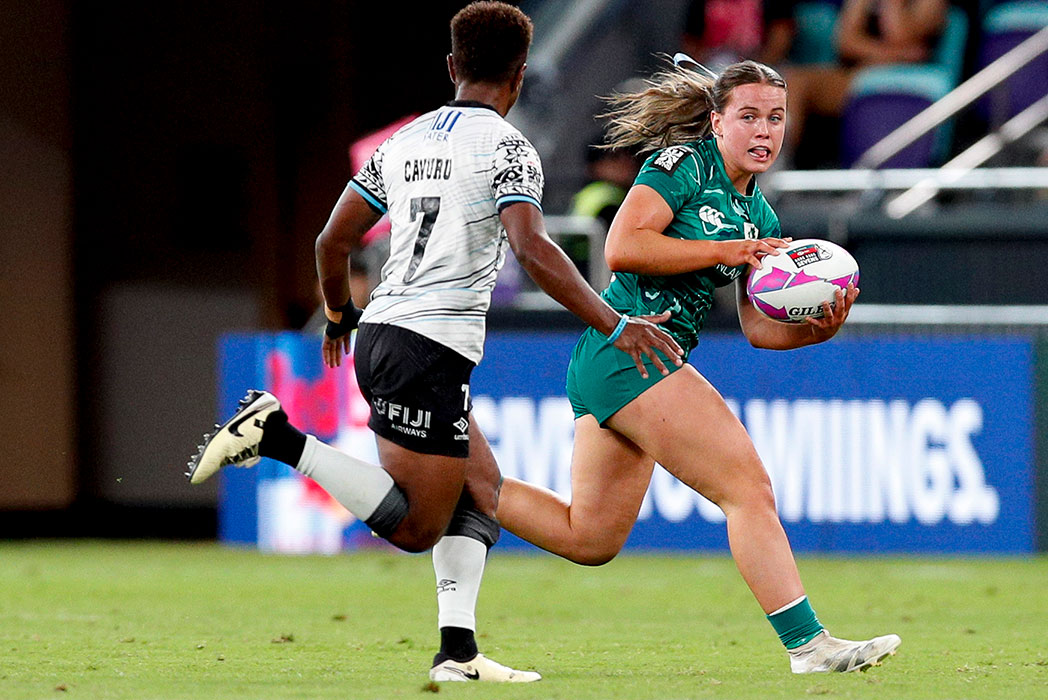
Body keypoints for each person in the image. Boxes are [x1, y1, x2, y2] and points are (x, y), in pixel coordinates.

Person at [185, 1, 681, 684]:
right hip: (426, 344)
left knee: (481, 491)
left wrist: (337, 315)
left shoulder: (406, 140)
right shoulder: (509, 149)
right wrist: (614, 323)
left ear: (453, 67)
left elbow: (333, 239)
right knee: (419, 525)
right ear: (520, 75)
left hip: (389, 329)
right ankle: (277, 438)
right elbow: (533, 249)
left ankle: (458, 653)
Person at [496, 59, 901, 674]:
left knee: (589, 539)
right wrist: (728, 250)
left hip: (631, 360)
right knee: (748, 489)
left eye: (776, 117)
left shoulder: (760, 216)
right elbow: (622, 246)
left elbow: (758, 329)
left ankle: (459, 485)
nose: (764, 131)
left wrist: (820, 328)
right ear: (715, 122)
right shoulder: (681, 165)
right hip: (630, 347)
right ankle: (809, 646)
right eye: (748, 117)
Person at [780, 0, 948, 161]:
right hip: (862, 73)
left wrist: (892, 3)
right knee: (795, 82)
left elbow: (900, 37)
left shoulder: (931, 3)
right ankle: (776, 163)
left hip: (908, 83)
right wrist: (893, 55)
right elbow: (846, 43)